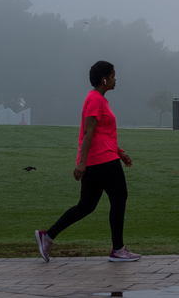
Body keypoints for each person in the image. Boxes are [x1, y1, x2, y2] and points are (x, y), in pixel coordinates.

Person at [35, 61, 141, 263]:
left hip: (101, 157)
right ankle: (118, 250)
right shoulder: (95, 99)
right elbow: (88, 133)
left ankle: (46, 237)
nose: (115, 79)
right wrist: (81, 163)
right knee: (119, 198)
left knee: (86, 205)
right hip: (101, 159)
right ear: (104, 79)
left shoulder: (99, 99)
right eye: (112, 76)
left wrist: (120, 152)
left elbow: (103, 133)